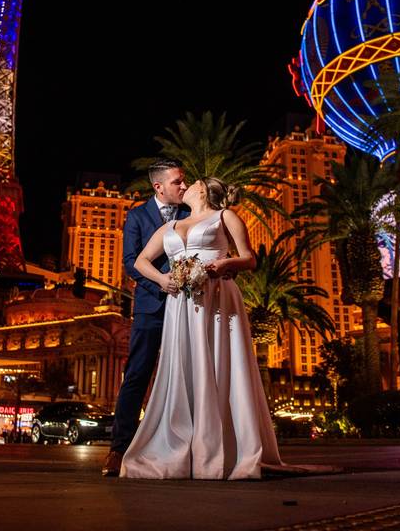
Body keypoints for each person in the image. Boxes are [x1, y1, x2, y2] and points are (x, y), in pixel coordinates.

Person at [120, 176, 283, 480]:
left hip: (218, 298)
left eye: (191, 183)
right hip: (180, 305)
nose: (184, 187)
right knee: (183, 367)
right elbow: (141, 261)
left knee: (218, 363)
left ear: (204, 190)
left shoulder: (225, 216)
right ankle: (181, 443)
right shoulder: (168, 227)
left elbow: (250, 258)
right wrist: (162, 280)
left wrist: (225, 265)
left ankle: (220, 446)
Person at [101, 159, 189, 477]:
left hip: (188, 307)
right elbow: (129, 262)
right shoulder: (137, 215)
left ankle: (183, 447)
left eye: (184, 181)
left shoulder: (191, 213)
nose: (184, 186)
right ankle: (118, 449)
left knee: (187, 375)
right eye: (178, 181)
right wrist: (163, 281)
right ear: (159, 186)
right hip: (151, 307)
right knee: (137, 374)